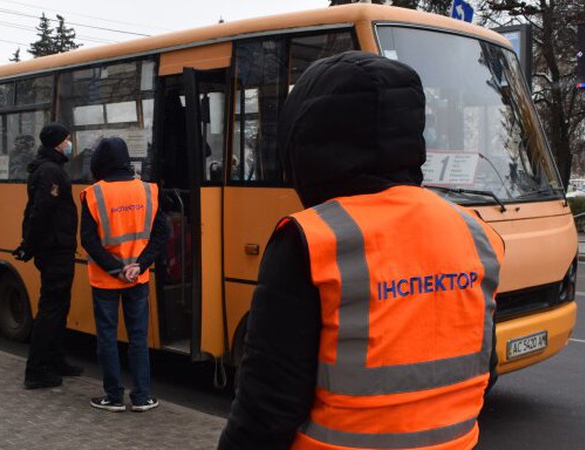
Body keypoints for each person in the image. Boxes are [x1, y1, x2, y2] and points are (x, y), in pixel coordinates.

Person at [218, 51, 505, 450]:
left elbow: (265, 411)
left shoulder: (310, 241)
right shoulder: (474, 233)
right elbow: (485, 370)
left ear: (306, 138)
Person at [80, 136, 169, 413]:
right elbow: (161, 234)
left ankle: (113, 397)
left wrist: (116, 269)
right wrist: (139, 265)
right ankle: (141, 397)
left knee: (107, 337)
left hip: (106, 279)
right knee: (138, 337)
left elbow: (89, 240)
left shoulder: (93, 194)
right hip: (137, 278)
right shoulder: (148, 190)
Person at [13, 122, 82, 389]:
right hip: (54, 249)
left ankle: (55, 359)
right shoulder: (50, 171)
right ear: (57, 143)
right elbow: (40, 211)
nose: (69, 143)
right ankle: (37, 370)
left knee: (59, 306)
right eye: (67, 139)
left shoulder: (49, 167)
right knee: (51, 308)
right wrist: (30, 245)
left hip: (56, 247)